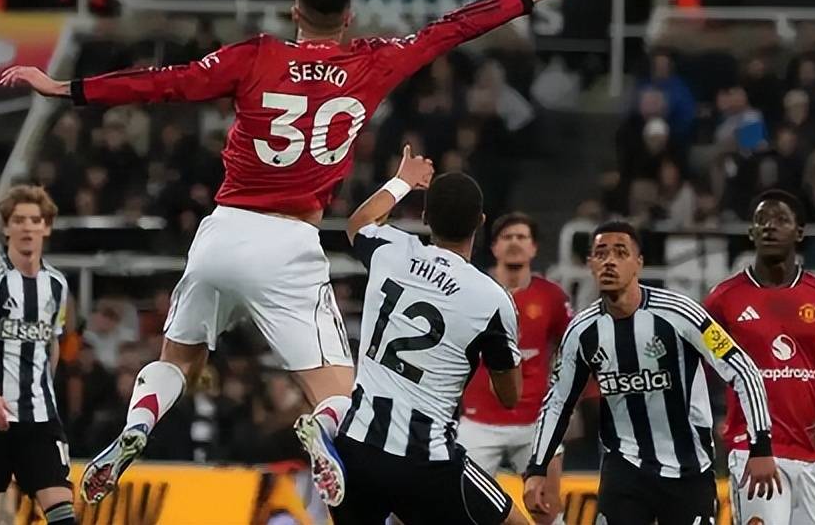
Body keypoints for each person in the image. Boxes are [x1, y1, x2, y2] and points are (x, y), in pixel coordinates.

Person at [0, 0, 589, 503]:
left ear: (295, 13)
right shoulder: (371, 61)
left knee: (178, 358)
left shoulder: (255, 56)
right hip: (290, 244)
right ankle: (320, 435)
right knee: (340, 394)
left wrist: (68, 89)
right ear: (348, 19)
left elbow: (166, 82)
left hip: (222, 233)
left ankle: (138, 424)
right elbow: (449, 30)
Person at [524, 221, 779, 525]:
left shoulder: (681, 313)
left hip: (688, 470)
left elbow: (743, 370)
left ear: (639, 263)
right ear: (591, 264)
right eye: (601, 254)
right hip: (624, 469)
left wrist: (761, 446)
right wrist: (537, 469)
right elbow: (557, 403)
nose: (609, 261)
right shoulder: (582, 331)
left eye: (621, 253)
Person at [330, 146, 526, 524]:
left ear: (424, 217)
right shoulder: (491, 298)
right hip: (426, 460)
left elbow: (358, 223)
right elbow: (509, 396)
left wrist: (403, 180)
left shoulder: (390, 251)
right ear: (480, 222)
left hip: (357, 447)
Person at [704, 189, 815, 525]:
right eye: (761, 220)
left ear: (799, 232)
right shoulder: (723, 299)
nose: (769, 227)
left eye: (780, 220)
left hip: (812, 449)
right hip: (754, 449)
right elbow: (700, 364)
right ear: (751, 232)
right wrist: (713, 416)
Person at [0, 185, 74, 525]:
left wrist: (41, 389)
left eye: (35, 220)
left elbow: (52, 343)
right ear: (6, 227)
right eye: (18, 220)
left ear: (46, 227)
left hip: (40, 419)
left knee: (64, 515)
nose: (27, 227)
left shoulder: (57, 284)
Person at [460, 212, 571, 524]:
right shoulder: (471, 290)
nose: (514, 243)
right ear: (494, 247)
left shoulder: (552, 297)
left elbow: (574, 348)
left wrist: (566, 404)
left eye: (521, 237)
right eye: (506, 237)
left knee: (547, 511)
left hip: (535, 424)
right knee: (460, 510)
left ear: (534, 247)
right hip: (478, 422)